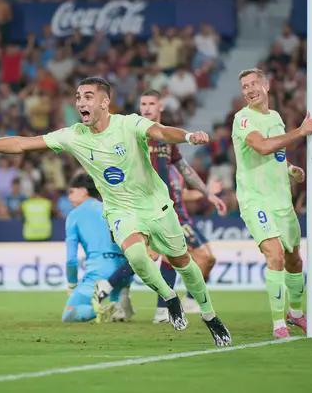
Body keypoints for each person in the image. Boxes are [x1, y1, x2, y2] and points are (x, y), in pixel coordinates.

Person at [0, 76, 232, 346]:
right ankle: (169, 297)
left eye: (88, 96)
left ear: (104, 102)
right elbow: (22, 143)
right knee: (136, 255)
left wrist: (188, 136)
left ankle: (210, 315)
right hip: (121, 211)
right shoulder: (74, 135)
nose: (81, 102)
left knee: (183, 262)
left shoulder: (128, 123)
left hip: (155, 205)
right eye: (78, 97)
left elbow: (159, 132)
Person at [96, 89, 228, 323]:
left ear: (161, 107)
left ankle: (118, 291)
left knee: (164, 256)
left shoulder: (166, 138)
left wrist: (207, 193)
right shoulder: (132, 132)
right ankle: (137, 299)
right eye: (143, 104)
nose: (146, 108)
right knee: (150, 255)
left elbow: (184, 169)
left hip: (166, 207)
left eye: (151, 103)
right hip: (138, 205)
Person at [232, 68, 312, 338]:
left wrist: (289, 169)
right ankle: (278, 324)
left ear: (266, 85)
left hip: (281, 200)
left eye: (253, 84)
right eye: (244, 87)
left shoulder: (275, 117)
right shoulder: (242, 118)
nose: (249, 90)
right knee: (275, 255)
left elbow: (274, 155)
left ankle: (295, 314)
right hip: (255, 199)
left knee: (294, 260)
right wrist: (302, 131)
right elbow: (262, 146)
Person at [62, 173, 130, 322]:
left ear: (83, 191)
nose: (69, 197)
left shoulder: (74, 215)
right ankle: (119, 299)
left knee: (69, 314)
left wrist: (72, 285)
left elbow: (71, 260)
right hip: (124, 271)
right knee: (118, 289)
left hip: (99, 273)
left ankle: (105, 308)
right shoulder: (111, 208)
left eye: (71, 191)